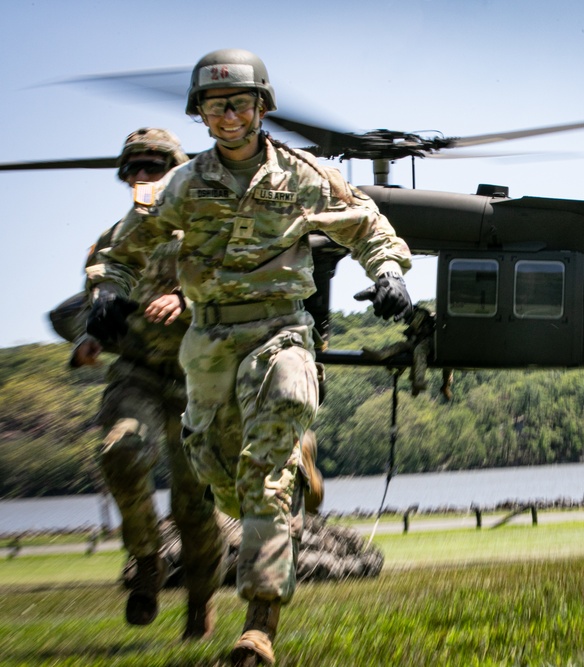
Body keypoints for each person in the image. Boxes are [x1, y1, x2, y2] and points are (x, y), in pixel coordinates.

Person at [86, 49, 413, 667]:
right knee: (221, 481)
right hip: (206, 344)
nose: (229, 116)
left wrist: (390, 273)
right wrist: (108, 291)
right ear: (201, 115)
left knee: (267, 472)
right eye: (216, 107)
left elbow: (367, 226)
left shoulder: (303, 173)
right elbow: (125, 248)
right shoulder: (184, 186)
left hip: (279, 333)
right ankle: (297, 461)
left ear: (261, 107)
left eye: (240, 103)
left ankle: (259, 627)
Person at [59, 128, 223, 639]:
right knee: (120, 453)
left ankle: (200, 604)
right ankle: (147, 561)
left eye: (153, 166)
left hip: (199, 381)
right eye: (133, 168)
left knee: (193, 510)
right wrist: (89, 338)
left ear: (176, 170)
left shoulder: (207, 230)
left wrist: (186, 301)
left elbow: (238, 291)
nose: (141, 176)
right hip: (137, 375)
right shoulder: (111, 241)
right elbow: (97, 304)